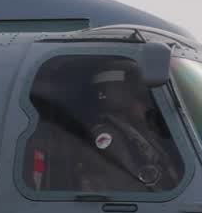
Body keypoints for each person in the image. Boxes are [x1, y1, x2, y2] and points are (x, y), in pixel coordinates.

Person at [78, 62, 181, 192]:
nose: (129, 94)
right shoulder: (107, 135)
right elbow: (124, 184)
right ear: (104, 93)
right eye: (121, 88)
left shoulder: (132, 128)